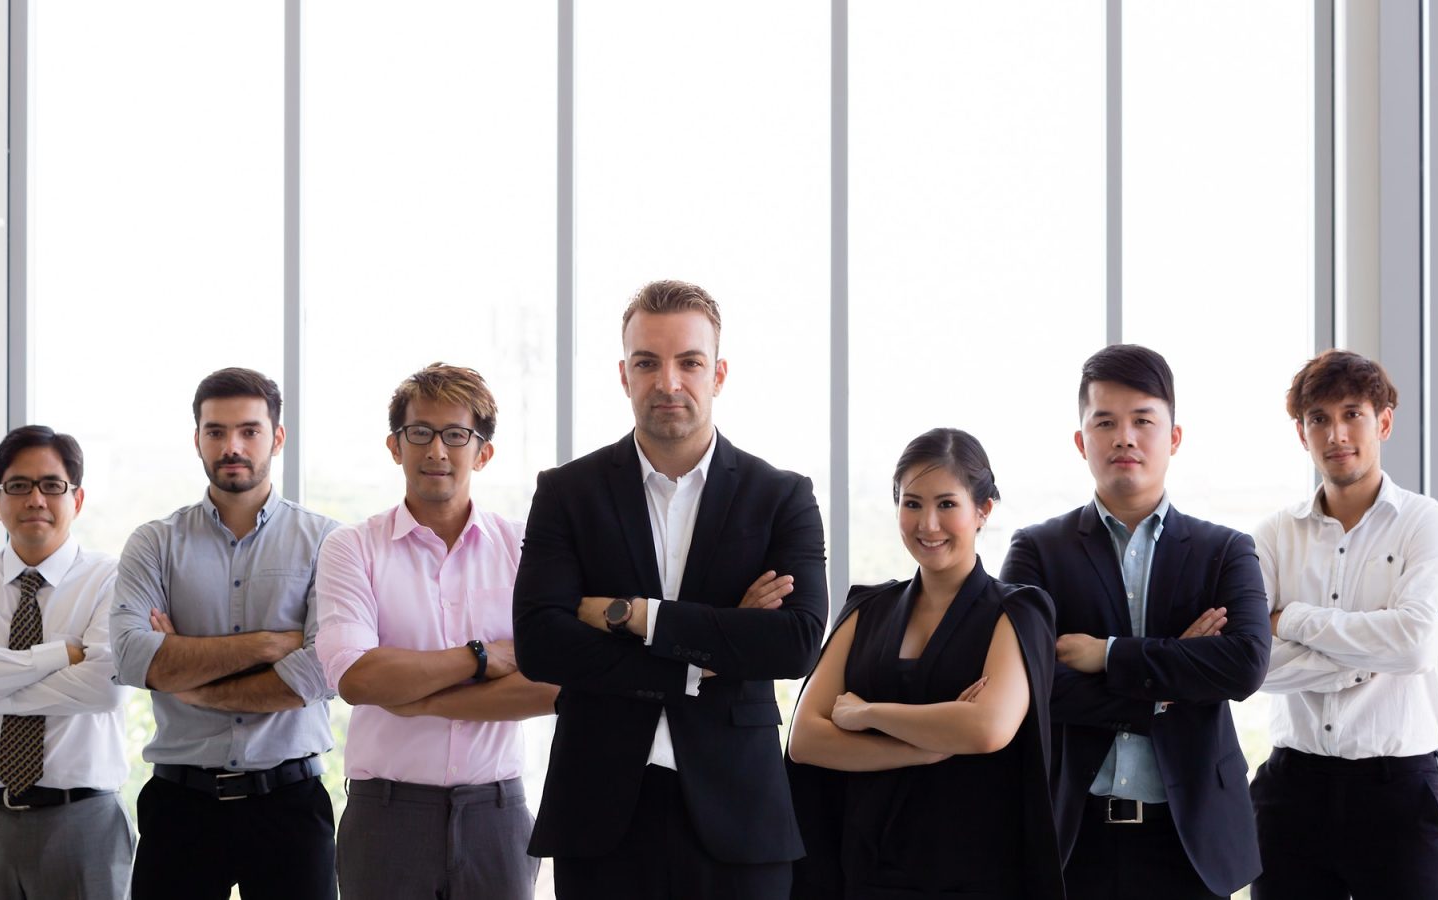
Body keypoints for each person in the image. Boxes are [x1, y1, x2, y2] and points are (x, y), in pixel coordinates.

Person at [513, 279, 829, 899]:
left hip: (739, 816)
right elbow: (540, 643)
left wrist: (638, 617)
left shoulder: (781, 496)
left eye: (689, 362)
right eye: (647, 362)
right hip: (599, 813)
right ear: (624, 374)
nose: (668, 382)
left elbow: (793, 645)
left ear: (720, 373)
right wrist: (708, 651)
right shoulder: (566, 493)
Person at [1000, 344, 1270, 900]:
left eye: (1143, 420)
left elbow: (1243, 667)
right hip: (1074, 833)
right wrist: (1170, 686)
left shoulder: (1225, 550)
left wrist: (1107, 655)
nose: (1125, 437)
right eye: (1106, 422)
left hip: (1190, 839)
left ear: (1173, 437)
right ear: (1082, 442)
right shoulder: (1037, 551)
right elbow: (1031, 689)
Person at [786, 428, 1063, 900]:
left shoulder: (1017, 611)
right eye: (912, 503)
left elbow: (985, 729)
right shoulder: (865, 609)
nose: (927, 524)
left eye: (947, 504)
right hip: (864, 871)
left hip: (975, 876)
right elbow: (806, 740)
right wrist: (930, 745)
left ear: (983, 511)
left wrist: (867, 714)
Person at [316, 363, 558, 900]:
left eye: (456, 435)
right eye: (419, 433)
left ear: (483, 452)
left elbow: (555, 686)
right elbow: (357, 678)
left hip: (498, 816)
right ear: (394, 445)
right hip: (386, 816)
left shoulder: (525, 551)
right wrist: (481, 658)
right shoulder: (352, 548)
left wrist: (418, 697)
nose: (436, 451)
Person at [110, 367, 338, 899]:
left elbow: (317, 672)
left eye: (249, 431)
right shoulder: (154, 544)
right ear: (197, 439)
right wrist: (266, 644)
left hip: (289, 805)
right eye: (215, 431)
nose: (232, 445)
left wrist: (187, 677)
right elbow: (132, 657)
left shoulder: (327, 541)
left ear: (277, 438)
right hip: (180, 808)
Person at [1249, 349, 1438, 900]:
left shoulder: (1430, 526)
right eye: (1318, 419)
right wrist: (1366, 656)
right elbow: (1248, 662)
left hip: (1399, 794)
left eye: (1352, 414)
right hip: (1290, 791)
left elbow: (1415, 644)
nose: (1336, 433)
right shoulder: (1273, 535)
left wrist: (1292, 619)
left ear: (1383, 421)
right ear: (1302, 433)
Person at [0, 425, 133, 900]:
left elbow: (105, 687)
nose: (35, 498)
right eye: (18, 486)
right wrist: (60, 654)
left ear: (76, 500)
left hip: (84, 822)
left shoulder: (111, 578)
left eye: (51, 485)